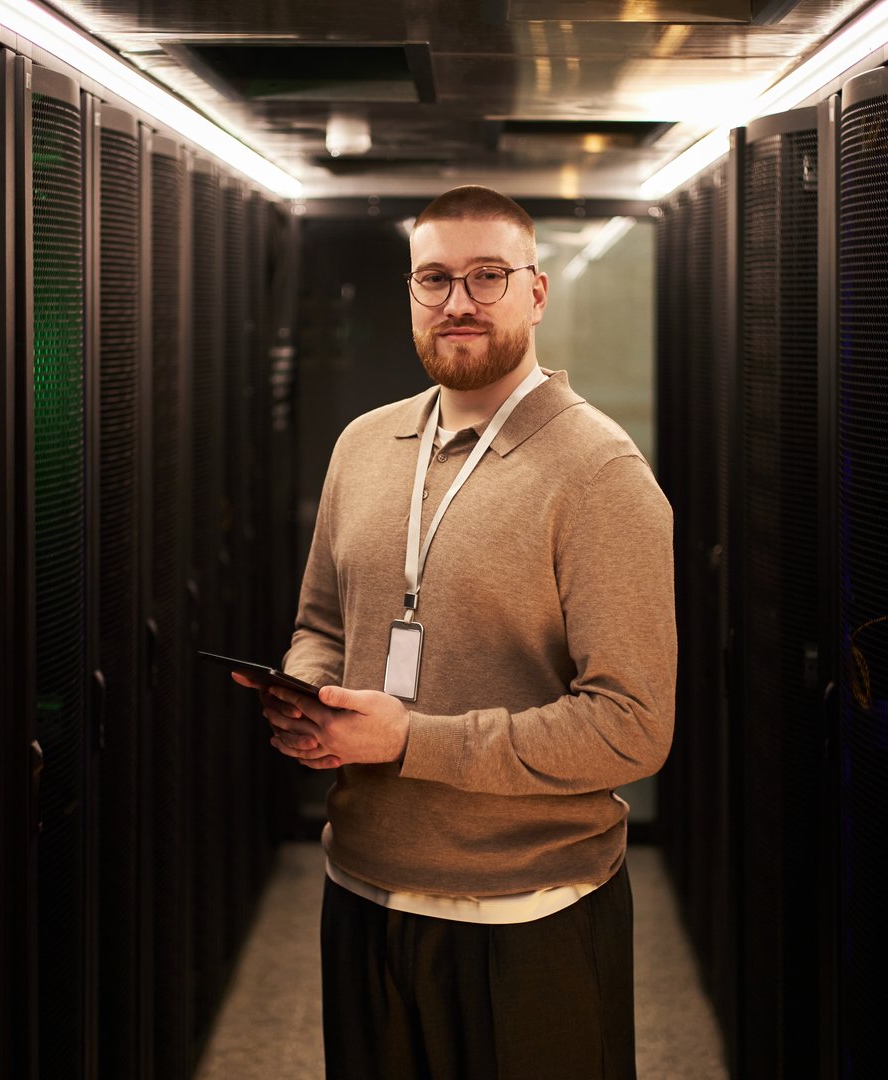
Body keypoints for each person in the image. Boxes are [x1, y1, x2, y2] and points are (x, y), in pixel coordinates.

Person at [232, 185, 675, 1079]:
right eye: (435, 278)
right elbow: (320, 621)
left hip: (528, 918)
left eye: (487, 276)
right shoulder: (363, 444)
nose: (458, 301)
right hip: (361, 889)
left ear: (537, 292)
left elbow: (633, 726)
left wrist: (408, 740)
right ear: (410, 292)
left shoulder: (600, 473)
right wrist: (308, 696)